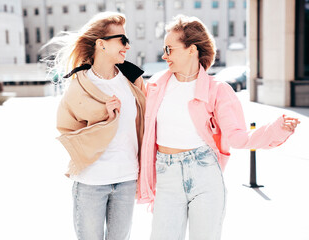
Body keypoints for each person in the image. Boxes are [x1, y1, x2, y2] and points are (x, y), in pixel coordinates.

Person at [136, 15, 300, 240]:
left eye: (169, 49)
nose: (164, 55)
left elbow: (238, 137)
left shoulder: (217, 90)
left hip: (205, 174)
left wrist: (276, 129)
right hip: (167, 175)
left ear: (191, 49)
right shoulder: (155, 85)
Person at [49, 12, 146, 240]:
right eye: (122, 40)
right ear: (101, 44)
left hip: (126, 178)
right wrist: (105, 119)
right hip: (91, 182)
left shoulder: (133, 78)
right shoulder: (79, 86)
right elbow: (67, 131)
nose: (128, 46)